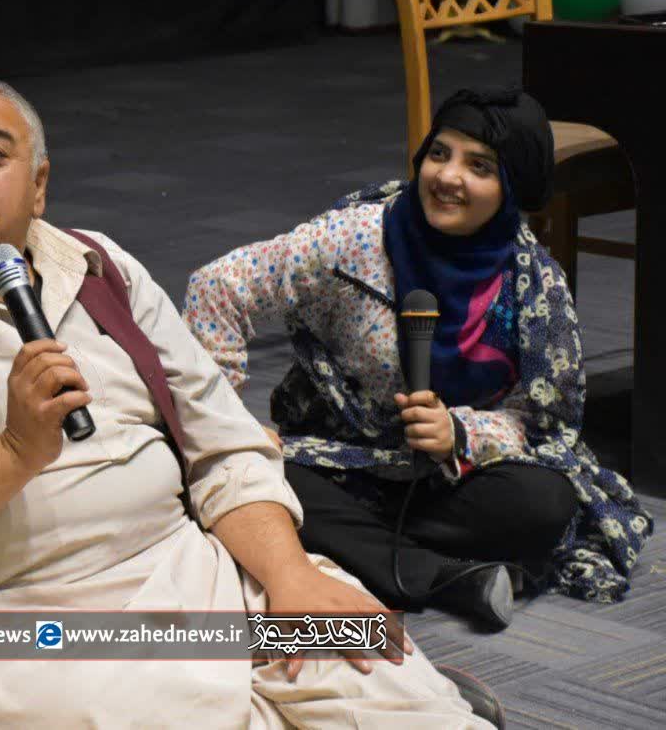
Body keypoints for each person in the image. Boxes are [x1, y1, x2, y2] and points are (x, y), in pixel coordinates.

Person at [0, 78, 495, 727]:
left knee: (381, 673)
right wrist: (12, 454)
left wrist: (289, 575)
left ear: (38, 186)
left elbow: (223, 441)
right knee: (170, 713)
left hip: (181, 572)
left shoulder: (102, 266)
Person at [184, 87, 652, 632]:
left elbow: (542, 421)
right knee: (268, 474)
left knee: (544, 504)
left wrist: (460, 432)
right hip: (341, 459)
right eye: (439, 153)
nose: (448, 176)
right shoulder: (356, 238)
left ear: (513, 187)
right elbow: (217, 288)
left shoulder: (533, 284)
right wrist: (228, 424)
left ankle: (357, 551)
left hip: (446, 477)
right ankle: (447, 577)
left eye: (479, 166)